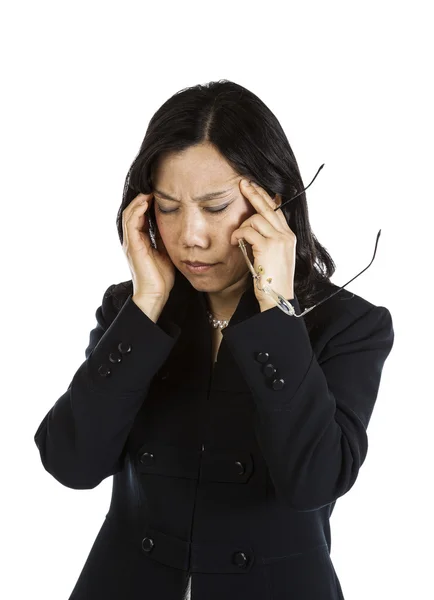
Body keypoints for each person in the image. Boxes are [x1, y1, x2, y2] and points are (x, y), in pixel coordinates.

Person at [33, 80, 394, 600]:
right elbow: (70, 463)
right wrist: (146, 305)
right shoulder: (133, 310)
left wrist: (276, 308)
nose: (190, 236)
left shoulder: (348, 324)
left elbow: (312, 482)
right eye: (168, 206)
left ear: (272, 202)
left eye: (215, 206)